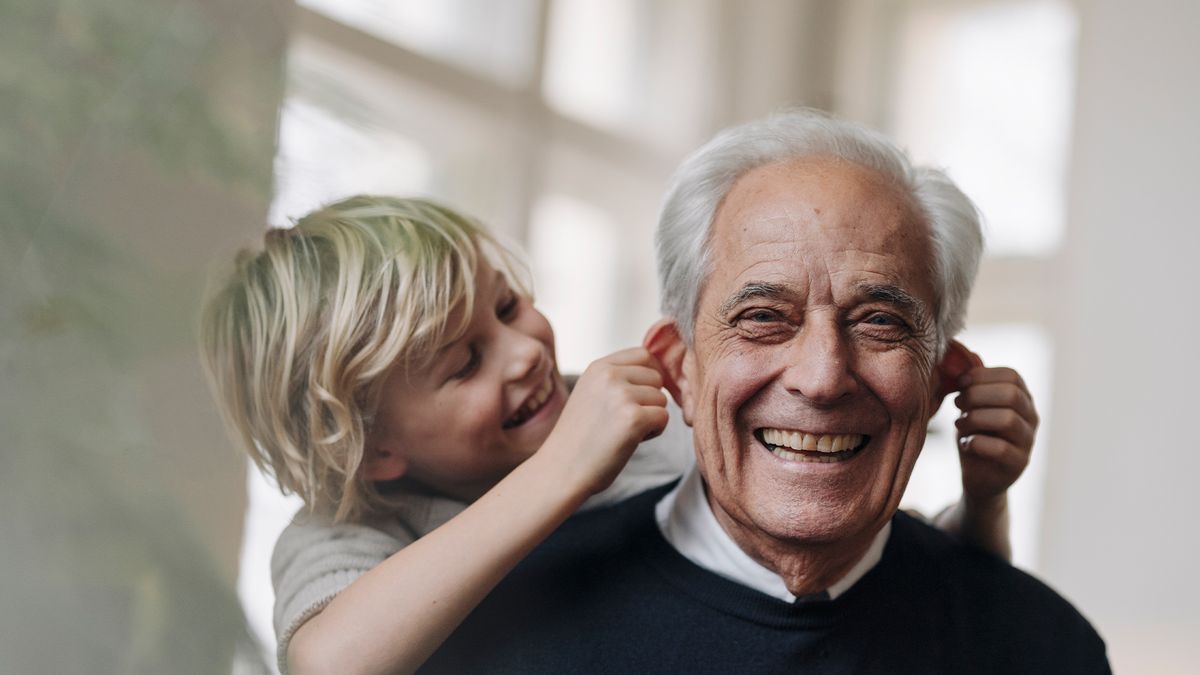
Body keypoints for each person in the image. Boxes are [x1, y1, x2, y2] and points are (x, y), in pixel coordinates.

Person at [200, 194, 1034, 675]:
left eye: (507, 306)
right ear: (377, 448)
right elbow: (330, 663)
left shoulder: (642, 416)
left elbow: (901, 581)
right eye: (465, 363)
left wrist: (983, 499)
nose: (527, 351)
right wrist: (562, 473)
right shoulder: (346, 526)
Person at [417, 110, 1108, 673]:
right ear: (679, 370)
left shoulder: (1046, 648)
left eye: (880, 322)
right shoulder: (491, 622)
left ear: (938, 382)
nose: (821, 376)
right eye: (762, 318)